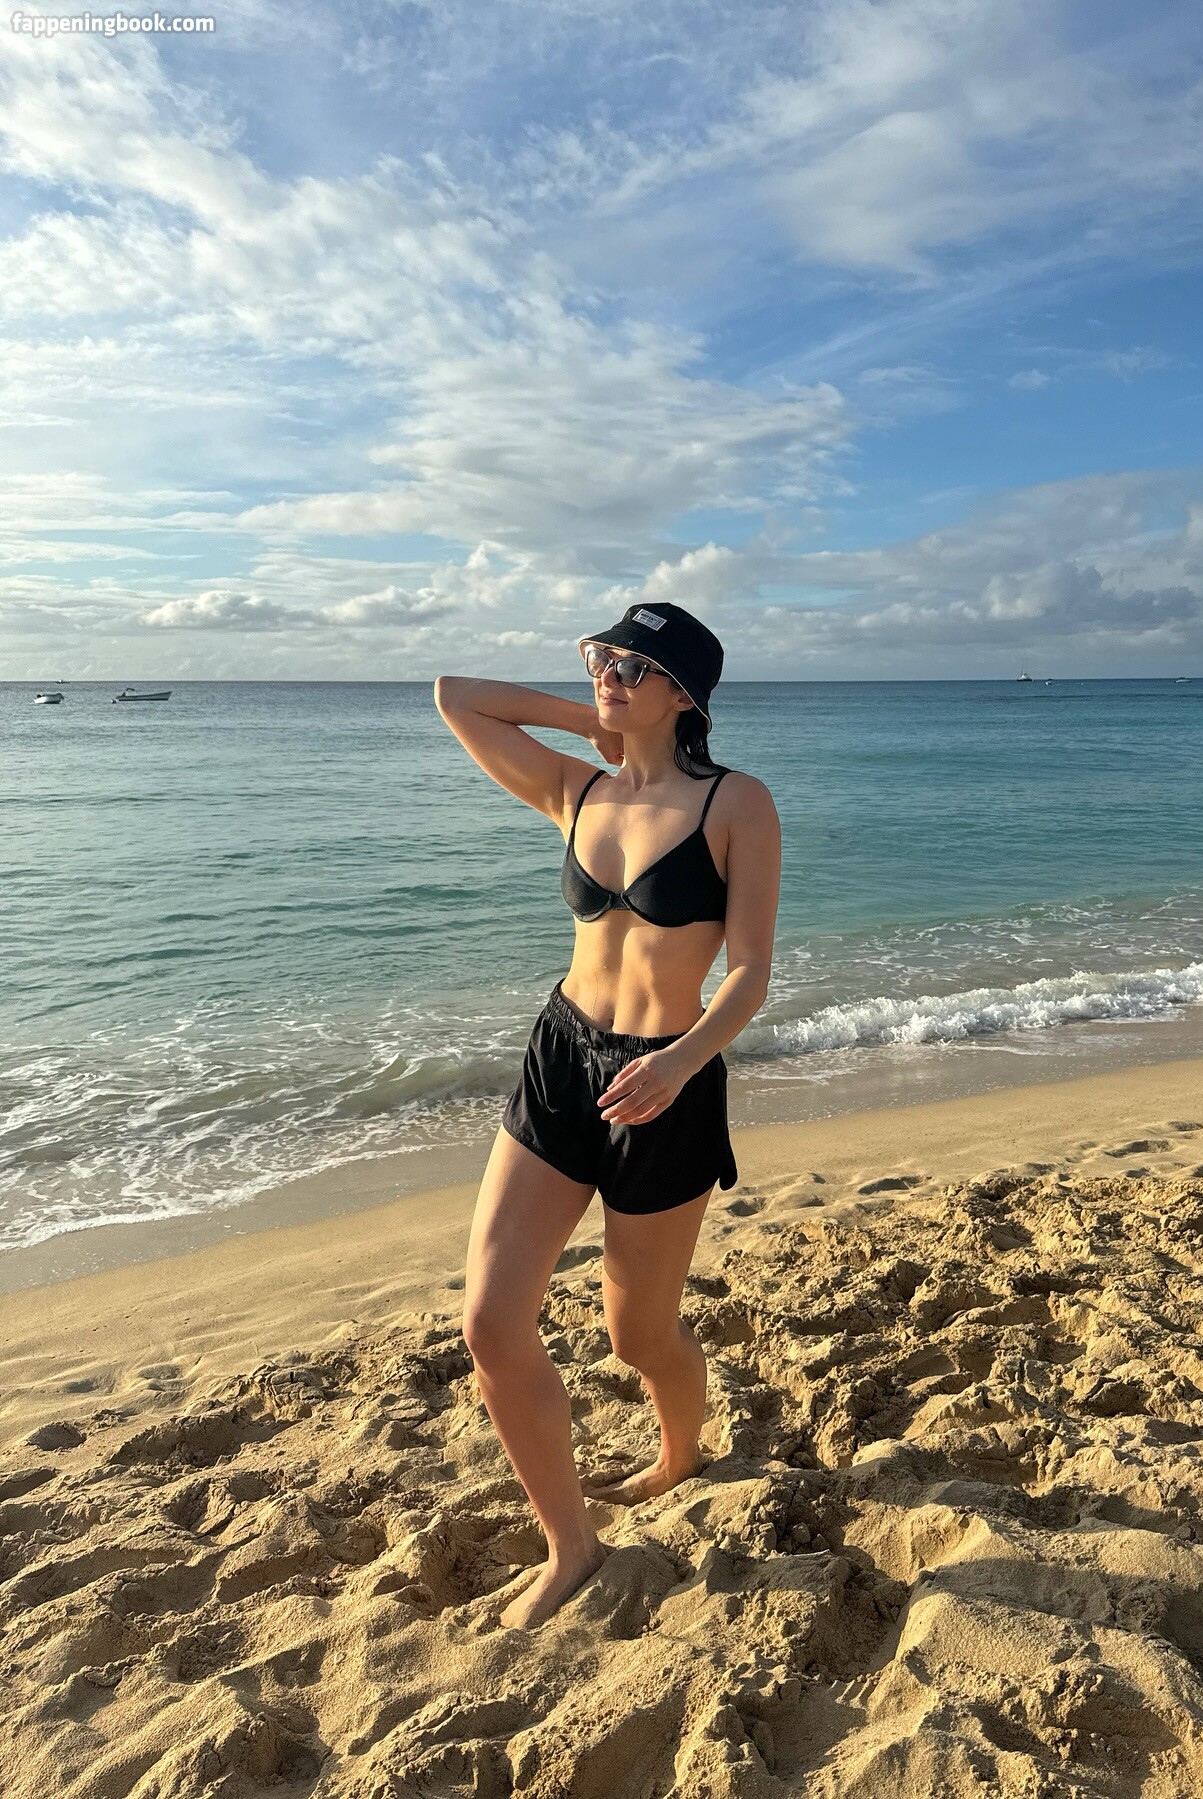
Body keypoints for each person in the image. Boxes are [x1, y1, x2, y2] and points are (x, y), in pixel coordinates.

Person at [434, 601, 782, 1628]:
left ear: (684, 693)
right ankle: (572, 1543)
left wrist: (680, 1060)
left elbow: (750, 971)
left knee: (639, 1336)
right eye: (603, 657)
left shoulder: (735, 803)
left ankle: (681, 1451)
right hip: (563, 1057)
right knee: (490, 1321)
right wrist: (586, 718)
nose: (609, 675)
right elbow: (456, 697)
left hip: (668, 1079)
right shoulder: (574, 789)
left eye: (634, 667)